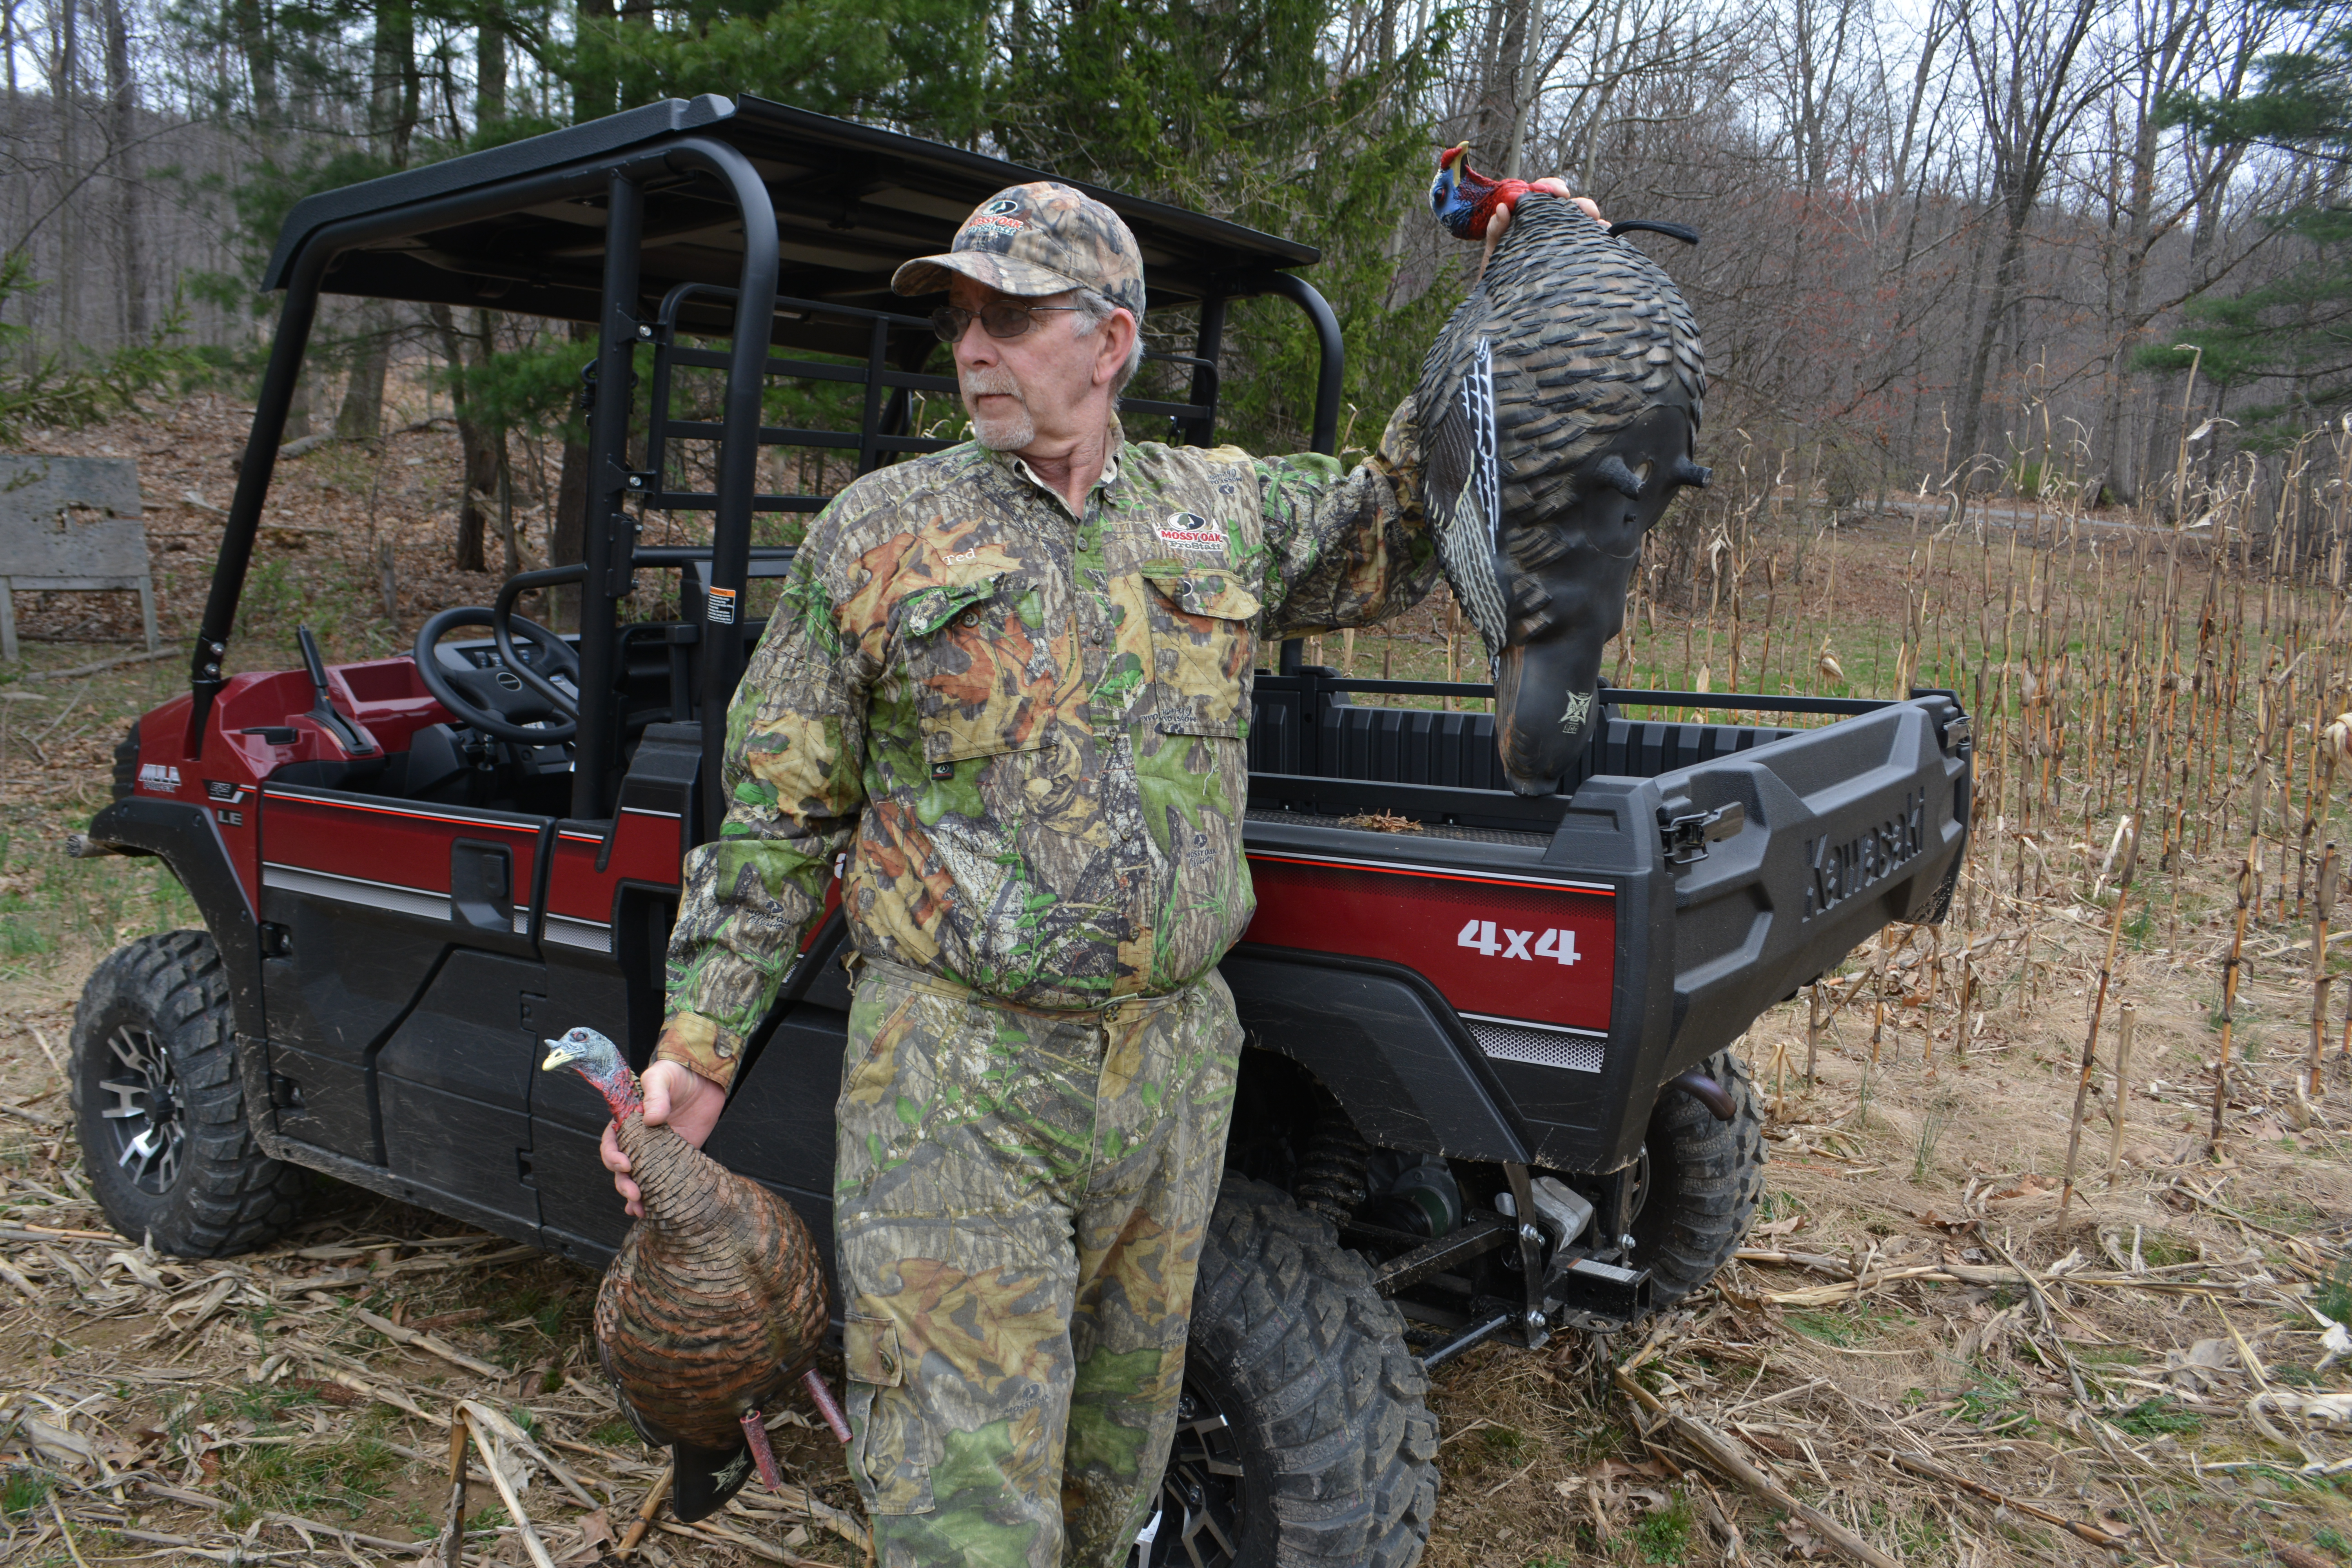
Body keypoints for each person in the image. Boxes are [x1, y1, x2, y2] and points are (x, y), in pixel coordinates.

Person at [603, 174, 1588, 1568]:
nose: (972, 350)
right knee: (964, 1497)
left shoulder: (1220, 509)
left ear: (1110, 341)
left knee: (1110, 1474)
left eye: (1010, 317)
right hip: (955, 1079)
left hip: (1171, 1072)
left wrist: (1520, 279)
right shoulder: (883, 534)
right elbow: (777, 814)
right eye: (960, 320)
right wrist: (698, 1046)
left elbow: (1404, 510)